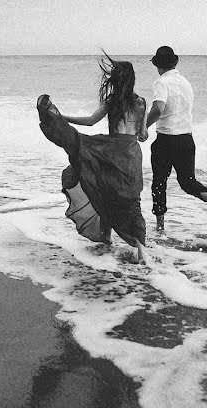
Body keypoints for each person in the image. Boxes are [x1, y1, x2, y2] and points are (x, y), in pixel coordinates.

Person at [36, 54, 149, 264]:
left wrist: (61, 118)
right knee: (133, 201)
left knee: (102, 190)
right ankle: (143, 252)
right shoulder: (141, 102)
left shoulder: (111, 101)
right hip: (131, 155)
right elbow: (143, 135)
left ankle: (106, 240)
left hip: (108, 152)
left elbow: (89, 122)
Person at [146, 46, 207, 248]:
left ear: (158, 66)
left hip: (166, 140)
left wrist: (143, 127)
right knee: (188, 182)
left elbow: (158, 109)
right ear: (175, 63)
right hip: (186, 140)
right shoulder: (186, 83)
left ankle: (160, 228)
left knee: (159, 182)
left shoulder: (161, 82)